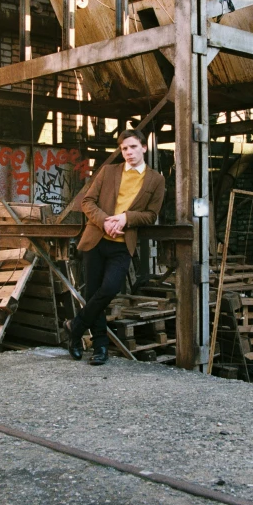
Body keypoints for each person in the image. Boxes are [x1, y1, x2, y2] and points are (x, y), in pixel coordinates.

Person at [64, 129, 165, 366]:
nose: (128, 152)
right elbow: (87, 202)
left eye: (132, 147)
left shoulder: (155, 180)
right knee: (93, 294)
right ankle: (100, 347)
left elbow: (151, 215)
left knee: (109, 289)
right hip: (96, 241)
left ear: (144, 148)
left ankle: (75, 328)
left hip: (122, 245)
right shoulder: (108, 171)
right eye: (124, 148)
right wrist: (106, 221)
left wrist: (126, 218)